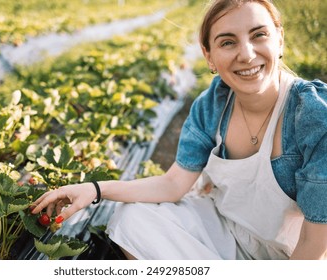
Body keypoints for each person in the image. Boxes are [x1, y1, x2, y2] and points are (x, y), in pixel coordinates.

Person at [31, 0, 327, 260]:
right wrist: (95, 189)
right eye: (228, 42)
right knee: (131, 220)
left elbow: (313, 242)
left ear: (280, 40)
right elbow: (173, 184)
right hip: (227, 233)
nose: (247, 55)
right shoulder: (213, 105)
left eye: (258, 35)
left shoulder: (312, 115)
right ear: (209, 55)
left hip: (293, 256)